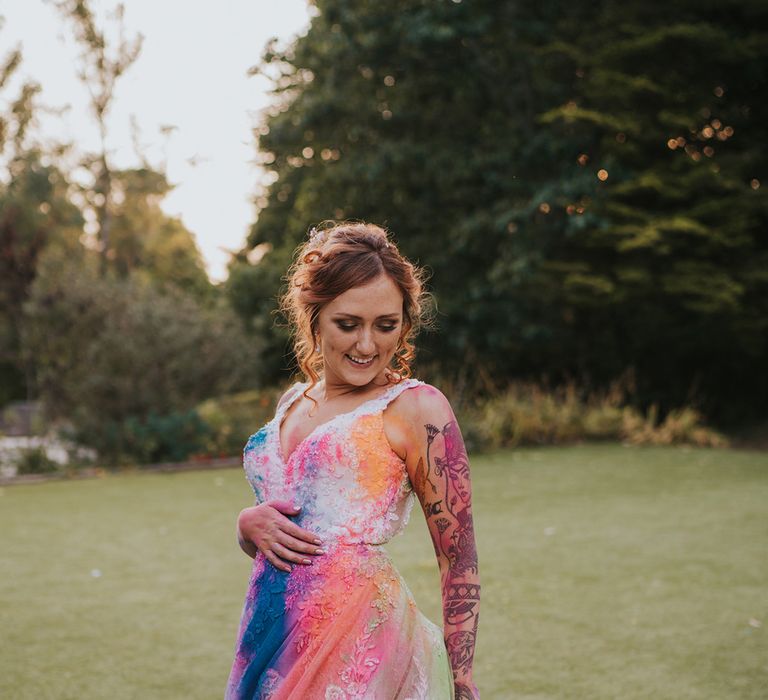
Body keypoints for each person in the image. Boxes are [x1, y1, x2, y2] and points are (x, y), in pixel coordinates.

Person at [225, 222, 481, 700]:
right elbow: (287, 536)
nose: (367, 345)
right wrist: (246, 525)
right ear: (314, 318)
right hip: (271, 631)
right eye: (348, 324)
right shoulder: (292, 402)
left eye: (386, 325)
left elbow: (458, 558)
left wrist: (462, 682)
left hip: (356, 639)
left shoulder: (416, 409)